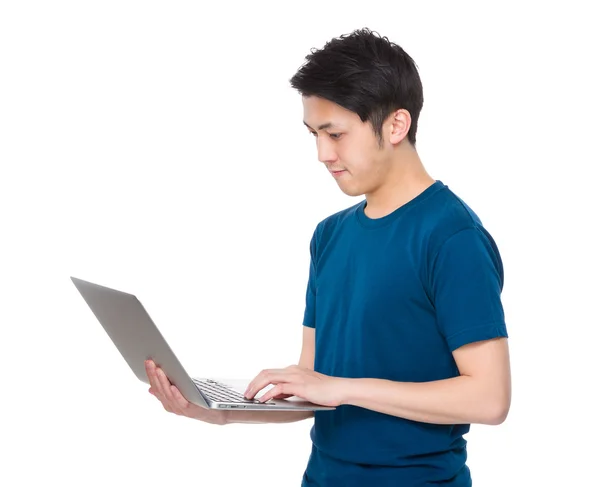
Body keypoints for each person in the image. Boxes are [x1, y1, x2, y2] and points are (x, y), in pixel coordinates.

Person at [145, 27, 511, 487]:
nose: (322, 153)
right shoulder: (329, 236)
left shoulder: (451, 236)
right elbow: (314, 384)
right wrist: (216, 411)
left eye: (335, 133)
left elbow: (489, 397)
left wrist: (338, 388)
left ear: (396, 125)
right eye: (314, 133)